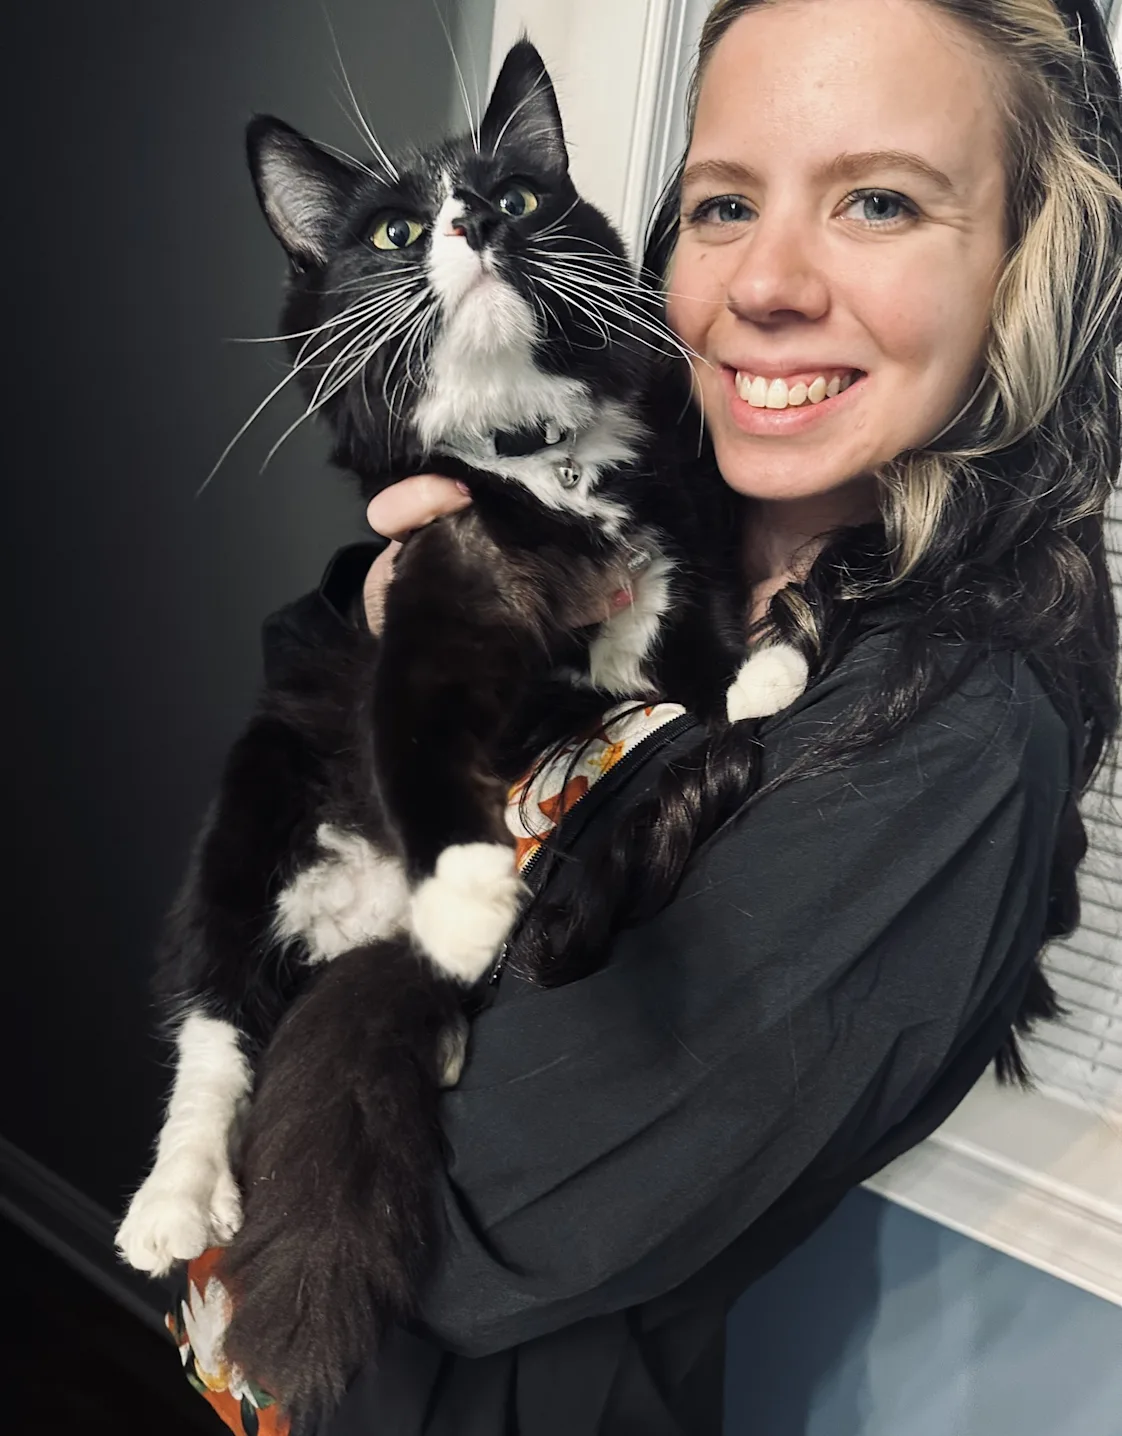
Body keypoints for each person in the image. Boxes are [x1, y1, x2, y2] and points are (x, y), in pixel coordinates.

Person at [177, 1, 1122, 1432]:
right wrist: (400, 613)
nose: (765, 283)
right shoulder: (639, 491)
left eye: (878, 201)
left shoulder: (954, 743)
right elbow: (299, 704)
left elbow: (481, 1225)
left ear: (1027, 262)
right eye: (723, 202)